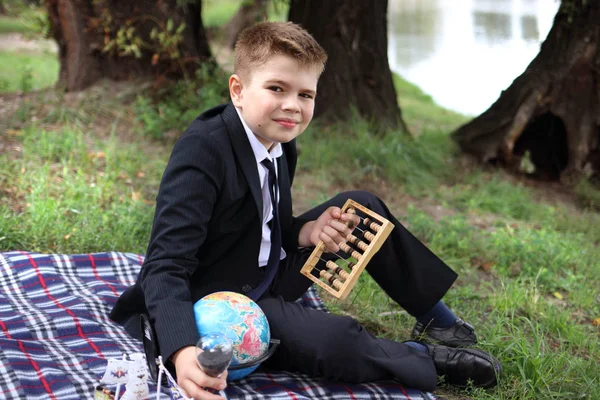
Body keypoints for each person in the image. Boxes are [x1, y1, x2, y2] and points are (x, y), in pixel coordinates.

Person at [110, 21, 501, 400]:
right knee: (330, 339)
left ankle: (437, 319)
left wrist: (308, 232)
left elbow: (268, 225)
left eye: (305, 94)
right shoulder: (203, 151)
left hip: (267, 270)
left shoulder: (280, 140)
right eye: (276, 88)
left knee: (363, 207)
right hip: (224, 300)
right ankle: (424, 359)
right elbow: (165, 265)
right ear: (238, 90)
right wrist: (181, 351)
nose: (292, 106)